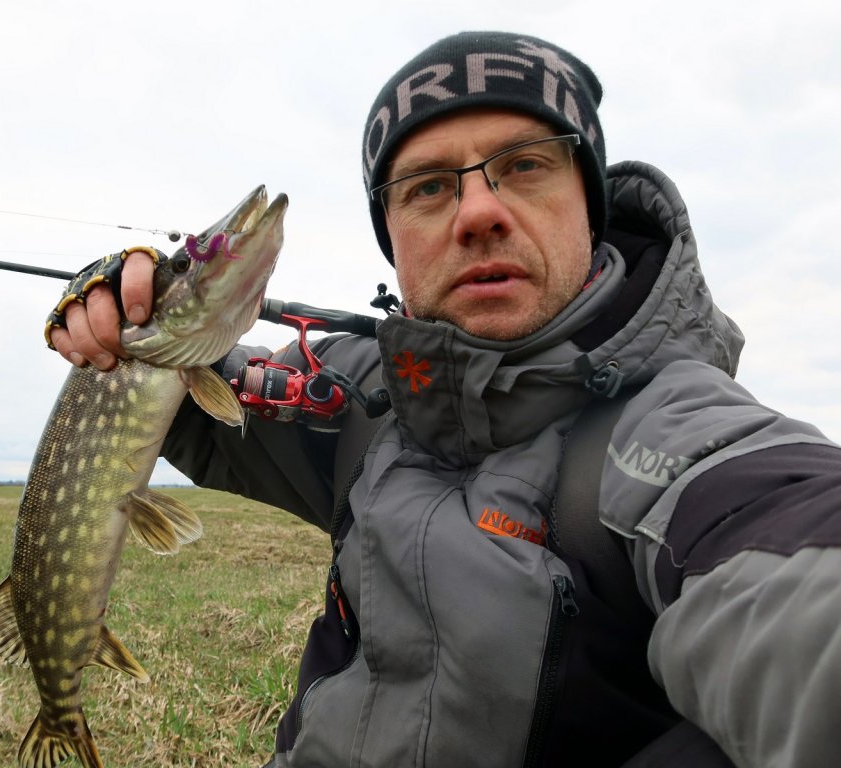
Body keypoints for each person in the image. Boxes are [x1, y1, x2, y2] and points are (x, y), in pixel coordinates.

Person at [46, 32, 841, 767]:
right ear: (393, 236)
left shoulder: (686, 438)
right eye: (428, 187)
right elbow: (191, 402)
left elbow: (793, 571)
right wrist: (124, 323)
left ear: (587, 200)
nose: (480, 212)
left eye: (524, 165)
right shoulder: (364, 394)